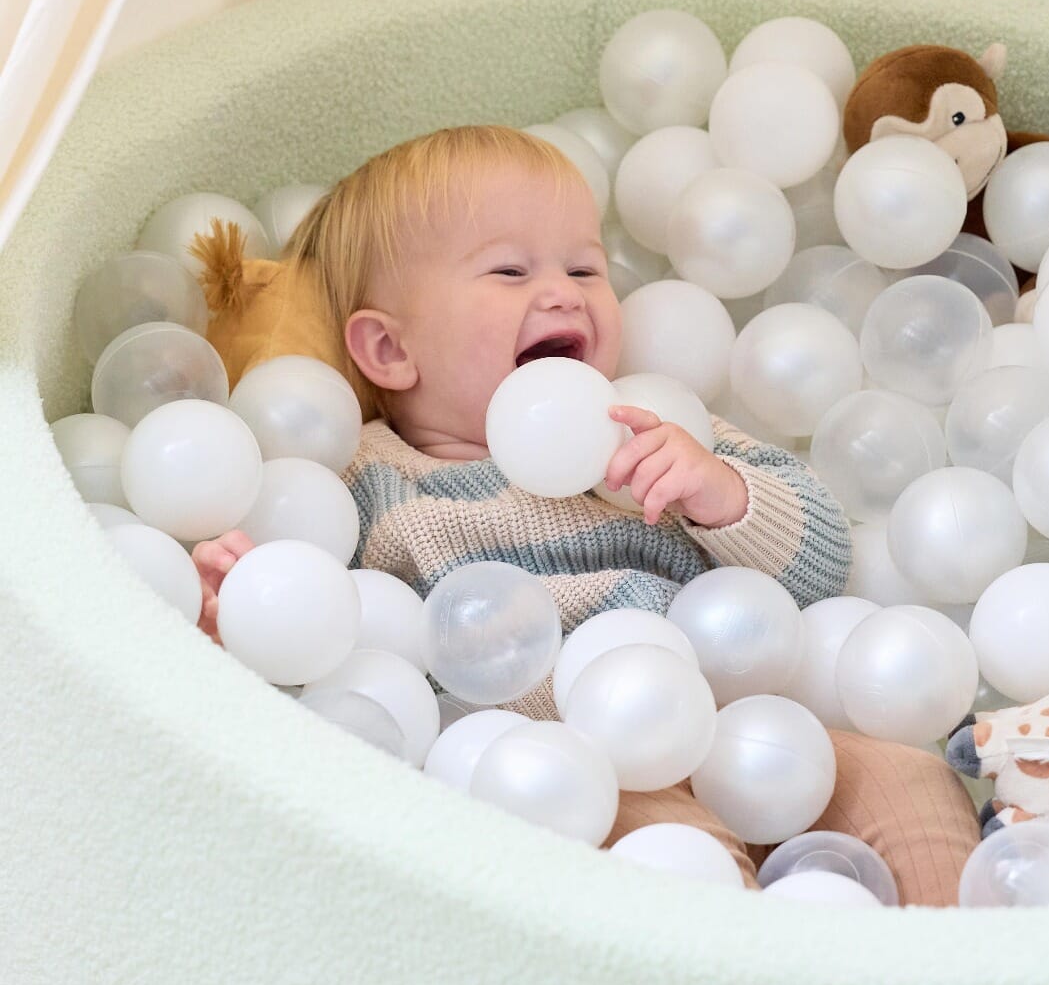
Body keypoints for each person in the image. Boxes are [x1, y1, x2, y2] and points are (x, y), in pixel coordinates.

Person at [193, 125, 978, 903]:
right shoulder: (367, 480)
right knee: (674, 860)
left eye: (584, 266)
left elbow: (821, 561)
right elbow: (328, 647)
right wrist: (244, 602)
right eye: (508, 270)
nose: (564, 291)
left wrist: (719, 493)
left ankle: (955, 980)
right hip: (573, 763)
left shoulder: (647, 426)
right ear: (391, 352)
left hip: (748, 721)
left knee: (911, 781)